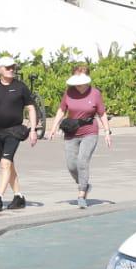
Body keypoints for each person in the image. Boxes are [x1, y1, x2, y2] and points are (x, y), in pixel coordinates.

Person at [0, 56, 37, 211]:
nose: (11, 70)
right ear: (0, 70)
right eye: (8, 67)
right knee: (8, 165)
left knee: (5, 163)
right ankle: (19, 197)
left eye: (13, 67)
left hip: (15, 131)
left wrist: (32, 130)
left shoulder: (20, 87)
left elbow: (30, 108)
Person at [47, 69, 111, 206]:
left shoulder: (95, 94)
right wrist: (53, 128)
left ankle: (82, 194)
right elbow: (61, 110)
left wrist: (107, 132)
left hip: (90, 132)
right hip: (71, 132)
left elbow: (102, 113)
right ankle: (84, 183)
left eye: (80, 83)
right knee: (71, 165)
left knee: (82, 161)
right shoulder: (69, 92)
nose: (78, 86)